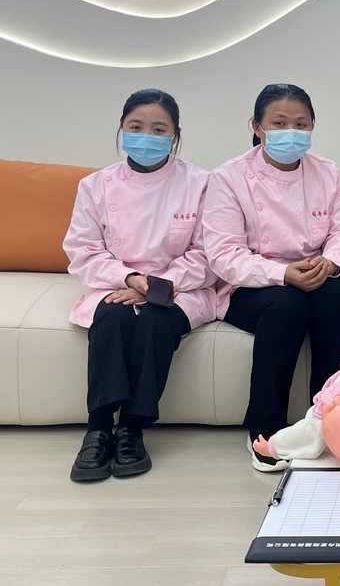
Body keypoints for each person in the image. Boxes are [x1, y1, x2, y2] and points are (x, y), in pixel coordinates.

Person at [63, 89, 221, 482]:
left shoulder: (201, 183)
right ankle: (98, 429)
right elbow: (83, 251)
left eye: (158, 129)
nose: (146, 136)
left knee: (156, 318)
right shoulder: (95, 185)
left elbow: (206, 253)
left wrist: (154, 287)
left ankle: (132, 429)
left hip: (180, 287)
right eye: (135, 127)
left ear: (176, 134)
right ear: (121, 130)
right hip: (116, 282)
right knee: (112, 317)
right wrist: (130, 279)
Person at [203, 83, 340, 471]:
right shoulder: (229, 178)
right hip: (251, 286)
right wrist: (282, 273)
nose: (291, 131)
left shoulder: (328, 173)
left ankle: (328, 419)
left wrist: (330, 264)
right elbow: (224, 255)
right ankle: (265, 430)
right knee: (287, 304)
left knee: (336, 297)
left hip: (316, 276)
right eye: (280, 122)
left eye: (301, 124)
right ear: (257, 127)